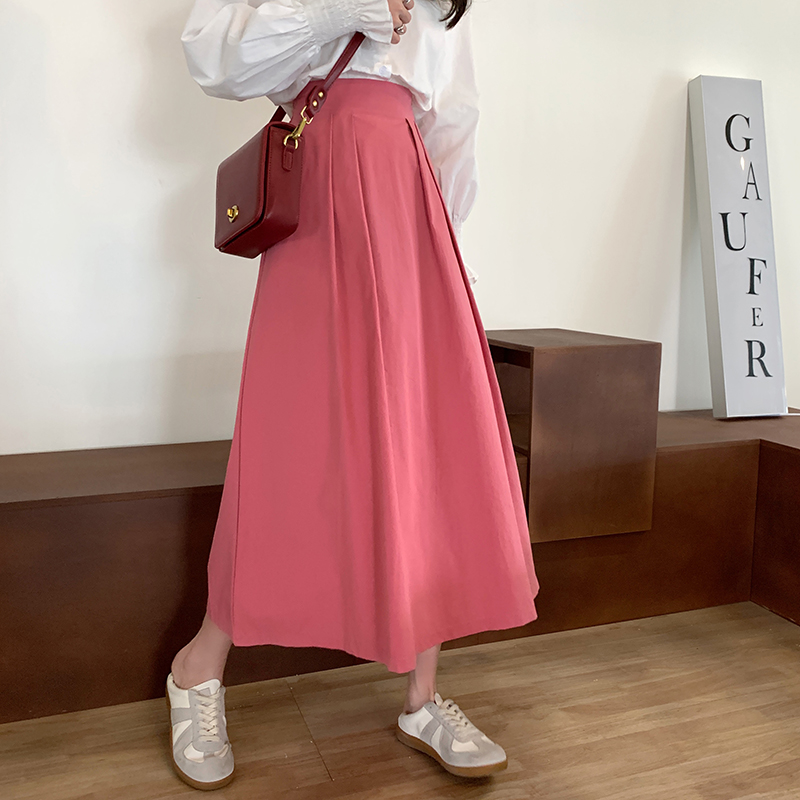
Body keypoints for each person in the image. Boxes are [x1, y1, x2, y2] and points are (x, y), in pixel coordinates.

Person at [167, 0, 539, 790]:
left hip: (412, 211)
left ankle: (422, 696)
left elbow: (454, 115)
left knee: (428, 439)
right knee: (291, 437)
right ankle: (199, 665)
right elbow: (213, 57)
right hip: (323, 197)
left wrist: (444, 250)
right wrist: (339, 10)